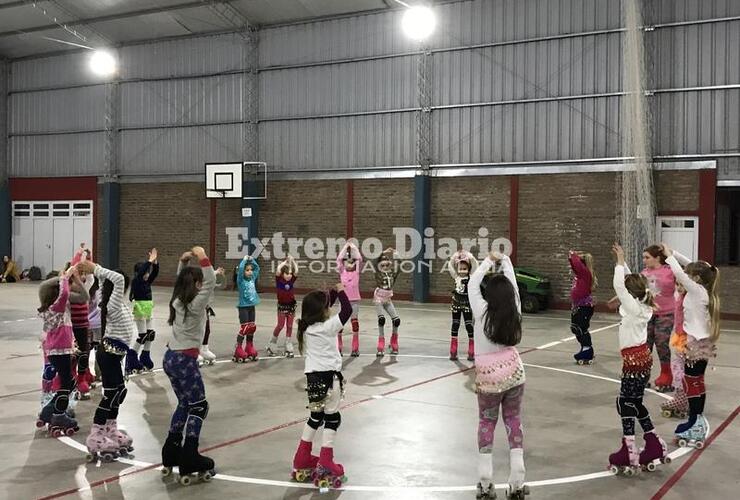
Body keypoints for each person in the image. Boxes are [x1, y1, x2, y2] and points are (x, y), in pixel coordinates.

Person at [468, 251, 527, 500]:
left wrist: (488, 261)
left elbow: (472, 283)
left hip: (489, 377)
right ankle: (517, 477)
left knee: (486, 422)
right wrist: (505, 260)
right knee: (513, 419)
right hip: (515, 371)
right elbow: (512, 284)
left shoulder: (481, 312)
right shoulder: (515, 310)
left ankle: (485, 479)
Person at [608, 244, 669, 475]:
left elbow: (619, 285)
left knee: (625, 403)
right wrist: (625, 266)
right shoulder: (641, 305)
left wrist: (620, 260)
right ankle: (653, 442)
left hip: (634, 362)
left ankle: (629, 448)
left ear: (630, 294)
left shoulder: (634, 308)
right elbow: (632, 284)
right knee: (634, 402)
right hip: (641, 360)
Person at [161, 246, 218, 484]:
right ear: (195, 284)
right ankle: (189, 454)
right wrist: (203, 257)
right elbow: (211, 280)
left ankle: (171, 449)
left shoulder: (177, 300)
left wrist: (183, 263)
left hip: (170, 358)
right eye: (198, 282)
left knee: (184, 403)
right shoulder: (195, 304)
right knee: (199, 406)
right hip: (185, 359)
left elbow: (179, 282)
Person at [290, 284, 352, 489]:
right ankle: (326, 462)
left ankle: (301, 457)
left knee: (316, 417)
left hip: (313, 378)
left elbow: (327, 307)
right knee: (333, 418)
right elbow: (347, 310)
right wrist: (342, 291)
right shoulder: (329, 326)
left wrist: (331, 294)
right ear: (323, 311)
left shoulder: (306, 326)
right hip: (330, 378)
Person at [662, 243, 721, 448]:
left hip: (696, 344)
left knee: (692, 383)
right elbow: (691, 268)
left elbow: (681, 273)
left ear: (695, 279)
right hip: (699, 342)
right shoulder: (703, 287)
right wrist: (675, 253)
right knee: (695, 382)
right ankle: (695, 418)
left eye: (691, 275)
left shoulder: (695, 291)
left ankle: (696, 421)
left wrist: (669, 257)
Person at [83, 260, 138, 460]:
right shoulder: (110, 303)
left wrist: (97, 272)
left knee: (118, 392)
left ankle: (110, 428)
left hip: (115, 355)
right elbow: (119, 278)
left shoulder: (115, 302)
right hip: (108, 355)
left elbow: (107, 281)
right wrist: (96, 270)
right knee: (112, 394)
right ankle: (96, 433)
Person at [36, 265, 81, 436]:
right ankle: (59, 415)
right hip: (59, 352)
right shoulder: (56, 308)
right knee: (66, 384)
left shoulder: (52, 309)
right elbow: (64, 295)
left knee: (69, 383)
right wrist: (65, 276)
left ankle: (48, 411)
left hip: (59, 351)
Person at [641, 245, 677, 392]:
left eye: (647, 257)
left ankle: (666, 375)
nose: (644, 260)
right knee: (645, 345)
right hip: (648, 313)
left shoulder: (670, 271)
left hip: (666, 313)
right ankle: (642, 375)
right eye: (643, 257)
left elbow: (684, 279)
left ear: (657, 258)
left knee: (661, 342)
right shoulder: (644, 273)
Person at [128, 248, 160, 373]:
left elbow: (155, 273)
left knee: (150, 335)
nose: (147, 275)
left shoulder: (147, 282)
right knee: (142, 336)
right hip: (140, 310)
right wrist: (149, 261)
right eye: (145, 273)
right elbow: (142, 273)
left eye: (148, 273)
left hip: (148, 309)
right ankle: (132, 356)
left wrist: (155, 262)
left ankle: (145, 356)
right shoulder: (137, 281)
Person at [448, 249, 478, 361]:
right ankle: (453, 348)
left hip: (467, 305)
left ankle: (471, 348)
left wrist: (470, 257)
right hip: (456, 304)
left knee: (468, 325)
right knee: (455, 324)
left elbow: (475, 265)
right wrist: (454, 256)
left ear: (468, 269)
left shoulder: (471, 277)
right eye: (460, 269)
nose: (462, 271)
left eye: (464, 269)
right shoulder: (456, 277)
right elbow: (450, 266)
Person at [569, 250, 597, 364]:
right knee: (575, 328)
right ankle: (585, 348)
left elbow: (576, 265)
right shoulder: (580, 275)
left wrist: (573, 254)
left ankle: (587, 350)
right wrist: (572, 258)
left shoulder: (585, 273)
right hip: (578, 305)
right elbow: (574, 265)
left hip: (584, 307)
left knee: (581, 328)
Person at [267, 255, 299, 357]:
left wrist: (292, 261)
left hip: (291, 306)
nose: (289, 275)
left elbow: (296, 271)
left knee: (289, 325)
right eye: (287, 273)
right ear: (283, 274)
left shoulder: (291, 281)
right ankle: (272, 342)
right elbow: (278, 270)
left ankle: (288, 343)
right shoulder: (279, 281)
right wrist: (285, 262)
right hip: (282, 306)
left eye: (290, 273)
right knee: (280, 325)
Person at [336, 242, 363, 356]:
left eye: (352, 262)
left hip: (354, 301)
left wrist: (353, 248)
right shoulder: (342, 272)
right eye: (348, 262)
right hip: (344, 302)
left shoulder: (356, 273)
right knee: (340, 324)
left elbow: (360, 259)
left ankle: (355, 347)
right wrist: (345, 247)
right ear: (344, 263)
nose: (350, 264)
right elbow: (339, 259)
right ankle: (339, 346)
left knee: (354, 323)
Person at [233, 256, 260, 362]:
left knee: (251, 327)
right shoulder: (240, 280)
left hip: (251, 306)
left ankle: (249, 346)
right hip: (243, 307)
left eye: (250, 270)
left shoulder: (252, 278)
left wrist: (252, 260)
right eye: (247, 270)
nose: (250, 272)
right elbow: (240, 270)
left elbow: (257, 268)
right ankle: (238, 348)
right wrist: (244, 261)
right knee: (245, 328)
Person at [374, 247, 400, 356]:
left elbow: (399, 265)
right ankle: (381, 342)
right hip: (379, 299)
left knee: (396, 320)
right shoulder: (378, 272)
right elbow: (375, 260)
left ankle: (393, 341)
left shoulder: (392, 274)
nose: (384, 267)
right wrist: (383, 252)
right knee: (381, 320)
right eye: (382, 265)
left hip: (388, 299)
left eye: (386, 265)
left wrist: (396, 254)